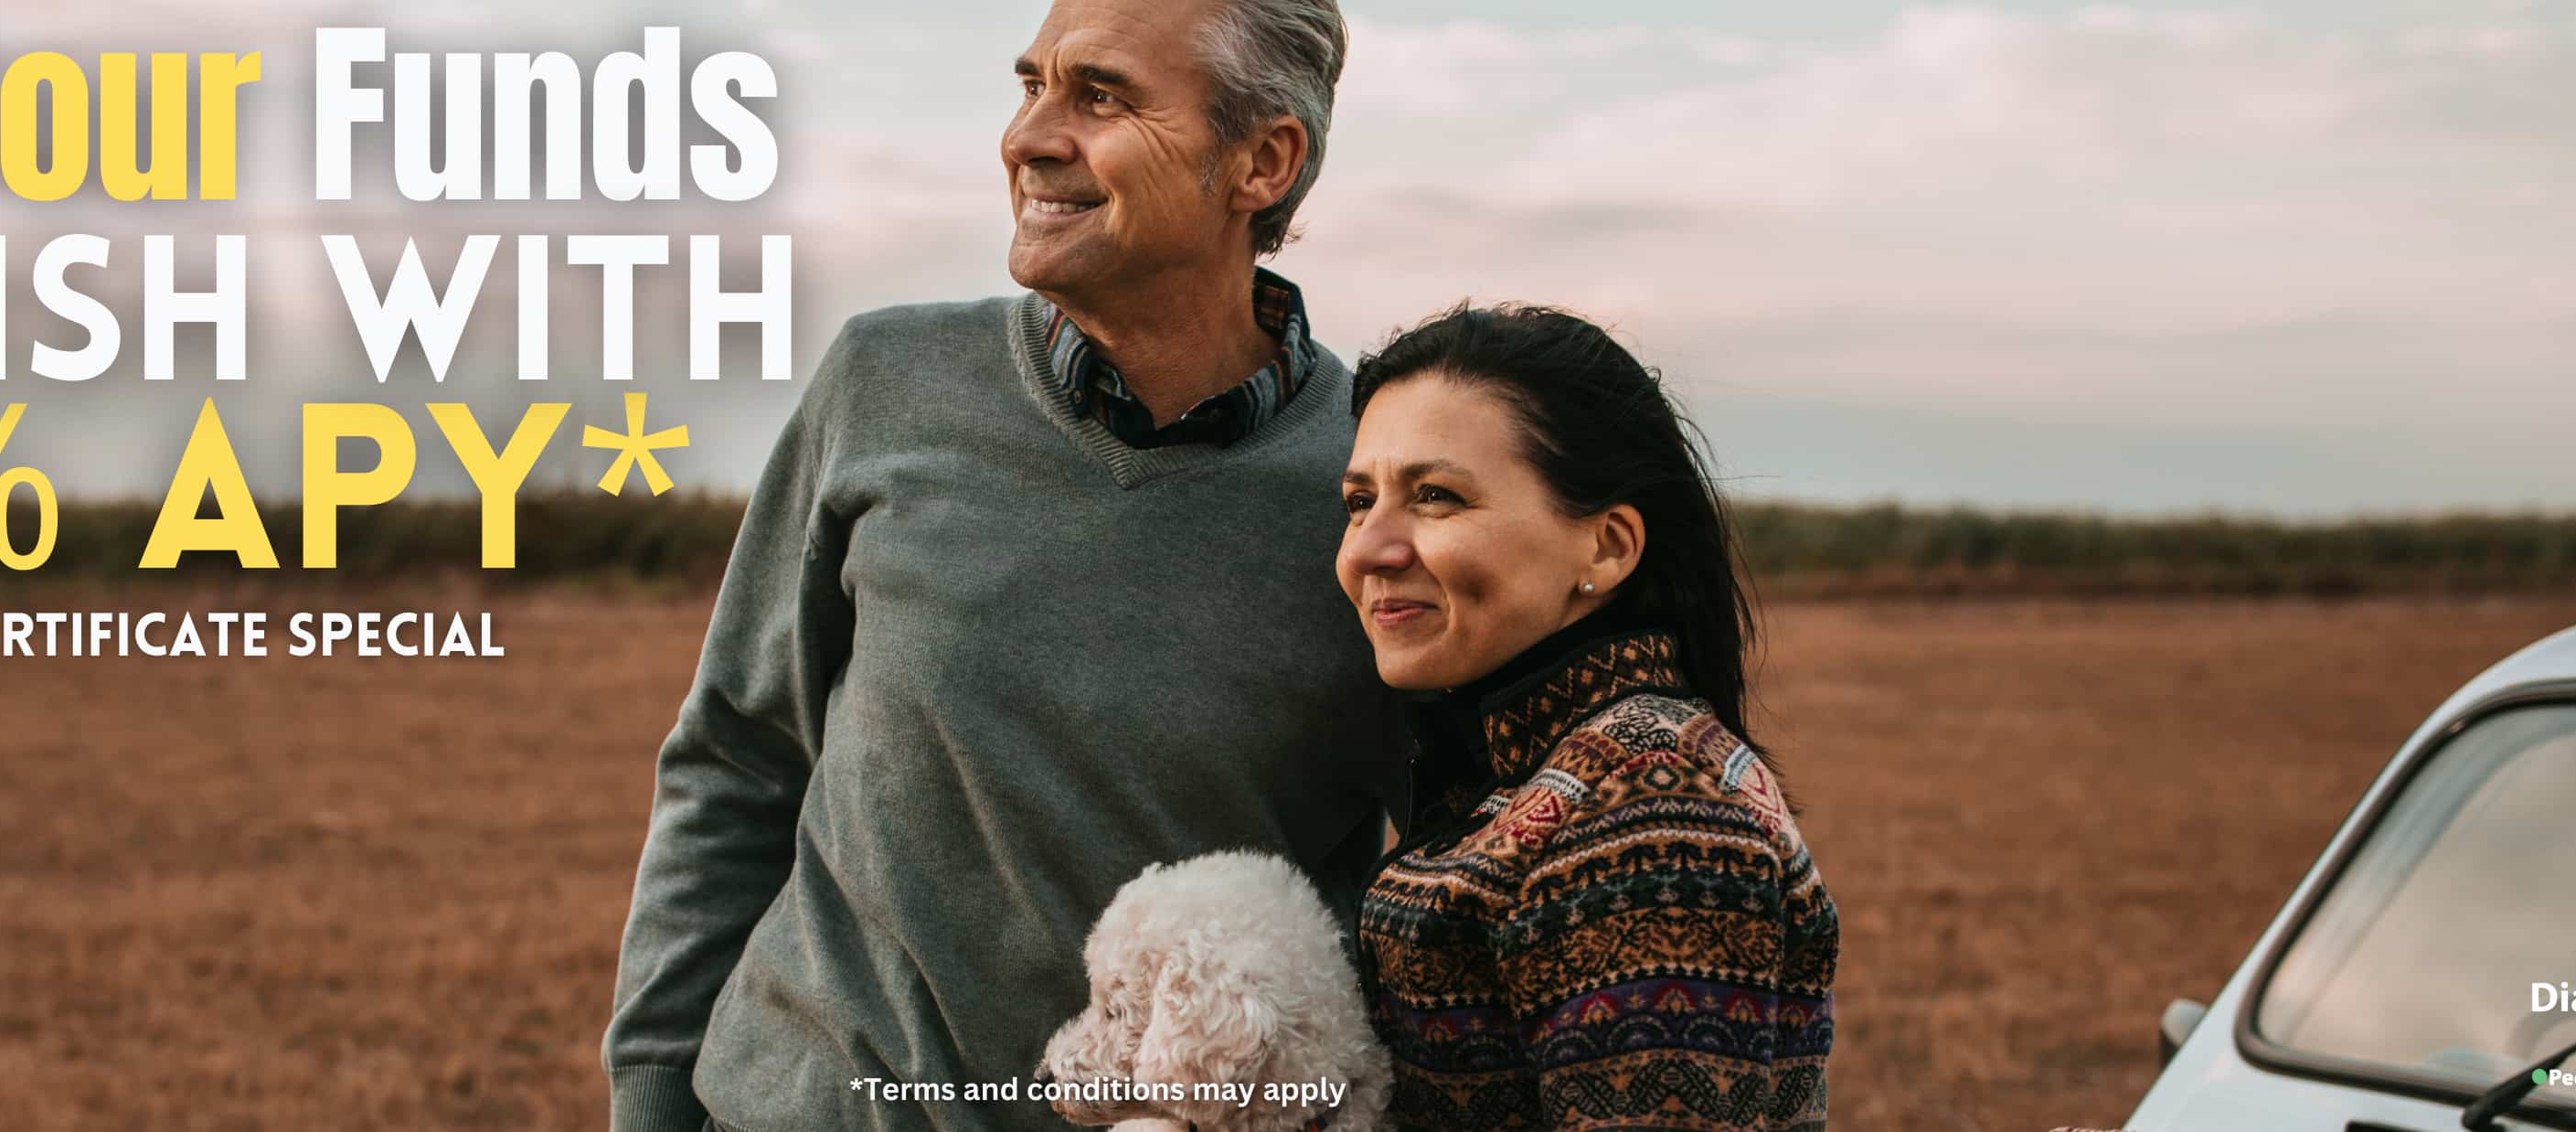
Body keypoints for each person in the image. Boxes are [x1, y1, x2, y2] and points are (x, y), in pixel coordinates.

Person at [601, 1, 1404, 1129]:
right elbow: (736, 758)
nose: (1026, 135)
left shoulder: (1380, 483)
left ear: (1261, 162)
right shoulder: (884, 378)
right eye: (1031, 85)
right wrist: (648, 1097)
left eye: (1102, 95)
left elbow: (1445, 886)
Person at [1337, 304, 1838, 1130]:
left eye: (1435, 496)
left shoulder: (1651, 810)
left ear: (1605, 548)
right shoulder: (1526, 761)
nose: (1366, 549)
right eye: (1360, 501)